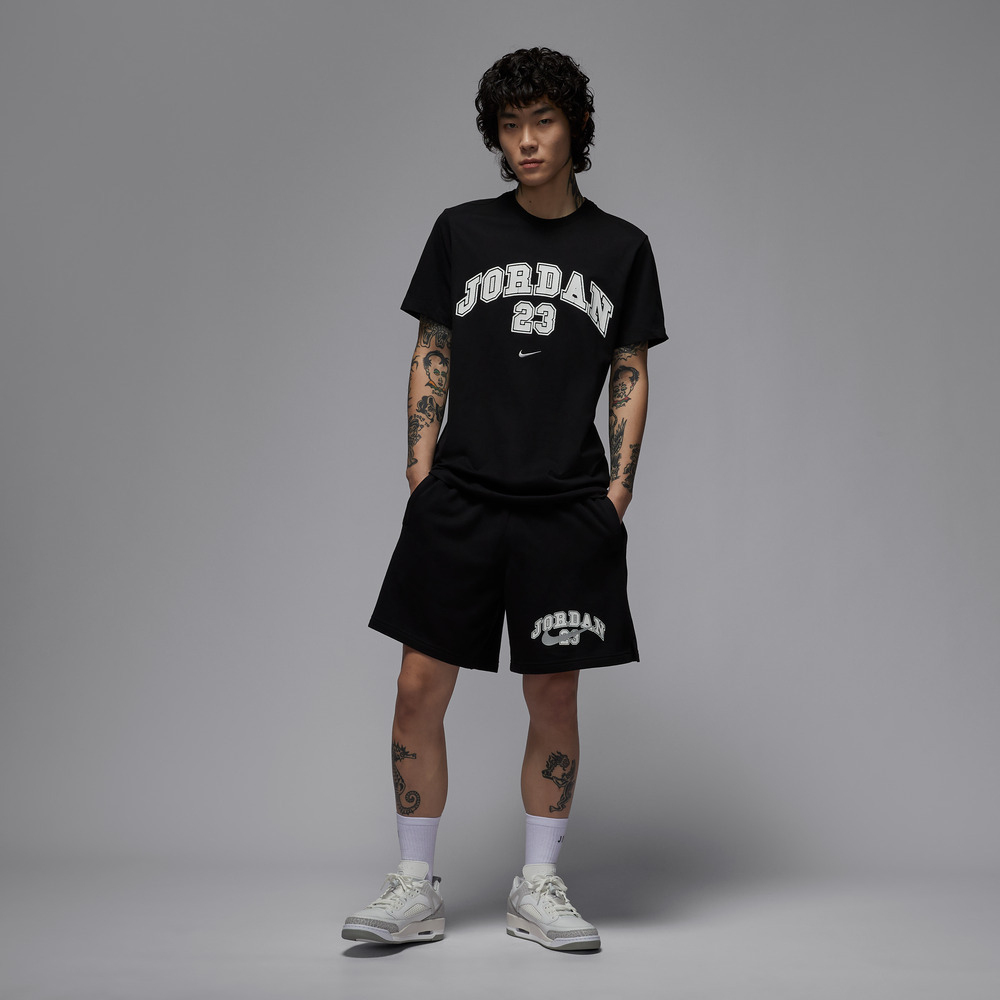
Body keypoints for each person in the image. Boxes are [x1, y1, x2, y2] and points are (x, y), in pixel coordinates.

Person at [342, 46, 666, 951]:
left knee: (552, 695)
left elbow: (630, 367)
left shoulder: (621, 247)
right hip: (461, 494)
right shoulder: (462, 232)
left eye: (543, 121)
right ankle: (414, 887)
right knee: (417, 685)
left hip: (567, 502)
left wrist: (619, 487)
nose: (526, 141)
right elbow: (432, 346)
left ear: (576, 128)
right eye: (510, 125)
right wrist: (419, 468)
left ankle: (540, 885)